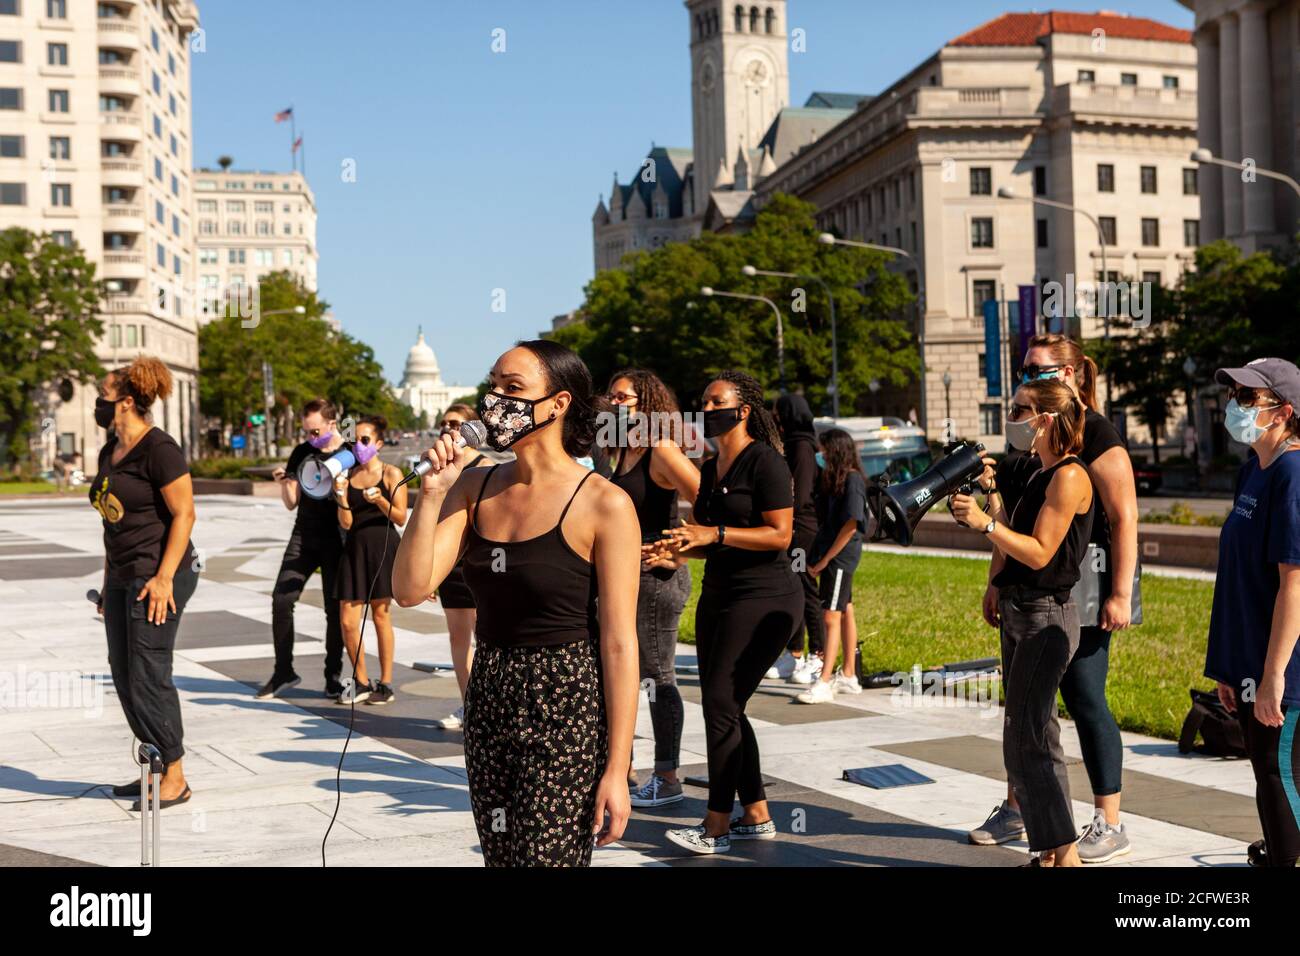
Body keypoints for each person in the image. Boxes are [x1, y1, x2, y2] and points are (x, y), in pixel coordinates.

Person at [392, 340, 638, 867]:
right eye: (493, 386)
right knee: (503, 859)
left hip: (566, 700)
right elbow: (409, 590)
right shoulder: (473, 486)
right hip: (491, 695)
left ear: (558, 403)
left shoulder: (605, 503)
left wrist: (617, 767)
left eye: (513, 388)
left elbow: (619, 642)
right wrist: (430, 494)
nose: (495, 400)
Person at [970, 333, 1139, 863]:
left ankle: (1107, 821)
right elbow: (1013, 520)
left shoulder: (1097, 437)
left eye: (1039, 372)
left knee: (1084, 697)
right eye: (1025, 369)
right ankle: (1021, 806)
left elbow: (1124, 518)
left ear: (1067, 374)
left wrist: (1119, 594)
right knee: (1026, 710)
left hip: (1083, 577)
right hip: (1034, 581)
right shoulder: (1033, 448)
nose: (1028, 380)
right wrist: (995, 581)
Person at [651, 370, 802, 855]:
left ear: (742, 411)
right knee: (728, 707)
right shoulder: (713, 468)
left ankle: (715, 826)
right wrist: (677, 551)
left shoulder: (767, 463)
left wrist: (711, 536)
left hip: (764, 598)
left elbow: (779, 535)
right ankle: (755, 813)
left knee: (718, 703)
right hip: (719, 594)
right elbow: (706, 539)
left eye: (716, 401)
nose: (707, 408)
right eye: (703, 401)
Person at [951, 378, 1094, 867]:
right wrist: (992, 500)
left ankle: (1065, 855)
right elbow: (1015, 532)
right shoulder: (1039, 470)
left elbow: (1039, 553)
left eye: (1021, 409)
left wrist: (985, 525)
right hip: (1020, 611)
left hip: (1046, 617)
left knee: (1025, 737)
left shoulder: (1070, 476)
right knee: (1035, 736)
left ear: (1046, 419)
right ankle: (1056, 850)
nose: (1012, 417)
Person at [90, 357, 199, 811]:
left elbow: (185, 514)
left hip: (162, 572)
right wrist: (107, 581)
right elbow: (112, 523)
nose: (97, 403)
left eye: (103, 396)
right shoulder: (108, 451)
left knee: (148, 672)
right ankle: (154, 765)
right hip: (122, 575)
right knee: (123, 672)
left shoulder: (159, 449)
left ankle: (175, 775)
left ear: (126, 402)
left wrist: (163, 578)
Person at [1205, 358, 1300, 868]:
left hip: (1285, 665)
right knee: (1268, 771)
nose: (1234, 407)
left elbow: (1295, 584)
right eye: (1234, 395)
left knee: (1278, 771)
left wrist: (1272, 676)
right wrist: (1229, 665)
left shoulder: (1293, 473)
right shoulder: (1253, 471)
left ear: (1282, 412)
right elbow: (1239, 578)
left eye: (1247, 398)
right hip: (1249, 658)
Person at [604, 368, 701, 808]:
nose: (615, 404)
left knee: (659, 675)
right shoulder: (620, 450)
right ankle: (622, 766)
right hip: (623, 575)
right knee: (626, 672)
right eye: (612, 397)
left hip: (655, 577)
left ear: (648, 403)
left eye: (624, 398)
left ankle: (668, 776)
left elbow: (709, 499)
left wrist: (681, 551)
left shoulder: (660, 448)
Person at [257, 398, 346, 700]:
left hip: (336, 538)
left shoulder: (348, 454)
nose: (310, 437)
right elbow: (291, 501)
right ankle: (284, 671)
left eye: (315, 431)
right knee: (282, 599)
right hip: (304, 536)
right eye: (306, 431)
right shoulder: (302, 452)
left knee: (334, 611)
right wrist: (284, 482)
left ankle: (333, 676)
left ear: (332, 424)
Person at [333, 415, 409, 705]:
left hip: (383, 546)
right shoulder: (348, 476)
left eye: (365, 440)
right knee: (348, 621)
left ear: (378, 443)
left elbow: (401, 517)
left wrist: (379, 499)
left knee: (380, 616)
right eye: (355, 441)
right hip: (355, 548)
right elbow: (347, 523)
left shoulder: (391, 472)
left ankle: (386, 683)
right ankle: (361, 680)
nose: (359, 446)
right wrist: (341, 495)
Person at [428, 404, 489, 729]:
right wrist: (429, 568)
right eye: (444, 423)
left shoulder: (487, 468)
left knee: (487, 638)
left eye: (455, 423)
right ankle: (469, 706)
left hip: (481, 564)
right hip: (451, 565)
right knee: (458, 639)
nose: (448, 428)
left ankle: (490, 705)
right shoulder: (440, 470)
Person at [796, 428, 867, 704]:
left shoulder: (853, 481)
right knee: (845, 610)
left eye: (824, 450)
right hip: (834, 556)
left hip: (840, 558)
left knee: (830, 616)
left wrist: (825, 560)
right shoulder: (837, 480)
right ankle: (849, 675)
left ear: (835, 450)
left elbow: (850, 526)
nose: (820, 455)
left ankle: (824, 681)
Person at [768, 393, 825, 685]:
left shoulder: (802, 446)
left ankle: (818, 653)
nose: (775, 419)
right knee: (792, 588)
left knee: (805, 588)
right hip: (793, 527)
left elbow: (800, 495)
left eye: (779, 414)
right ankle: (795, 652)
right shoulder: (792, 444)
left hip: (802, 530)